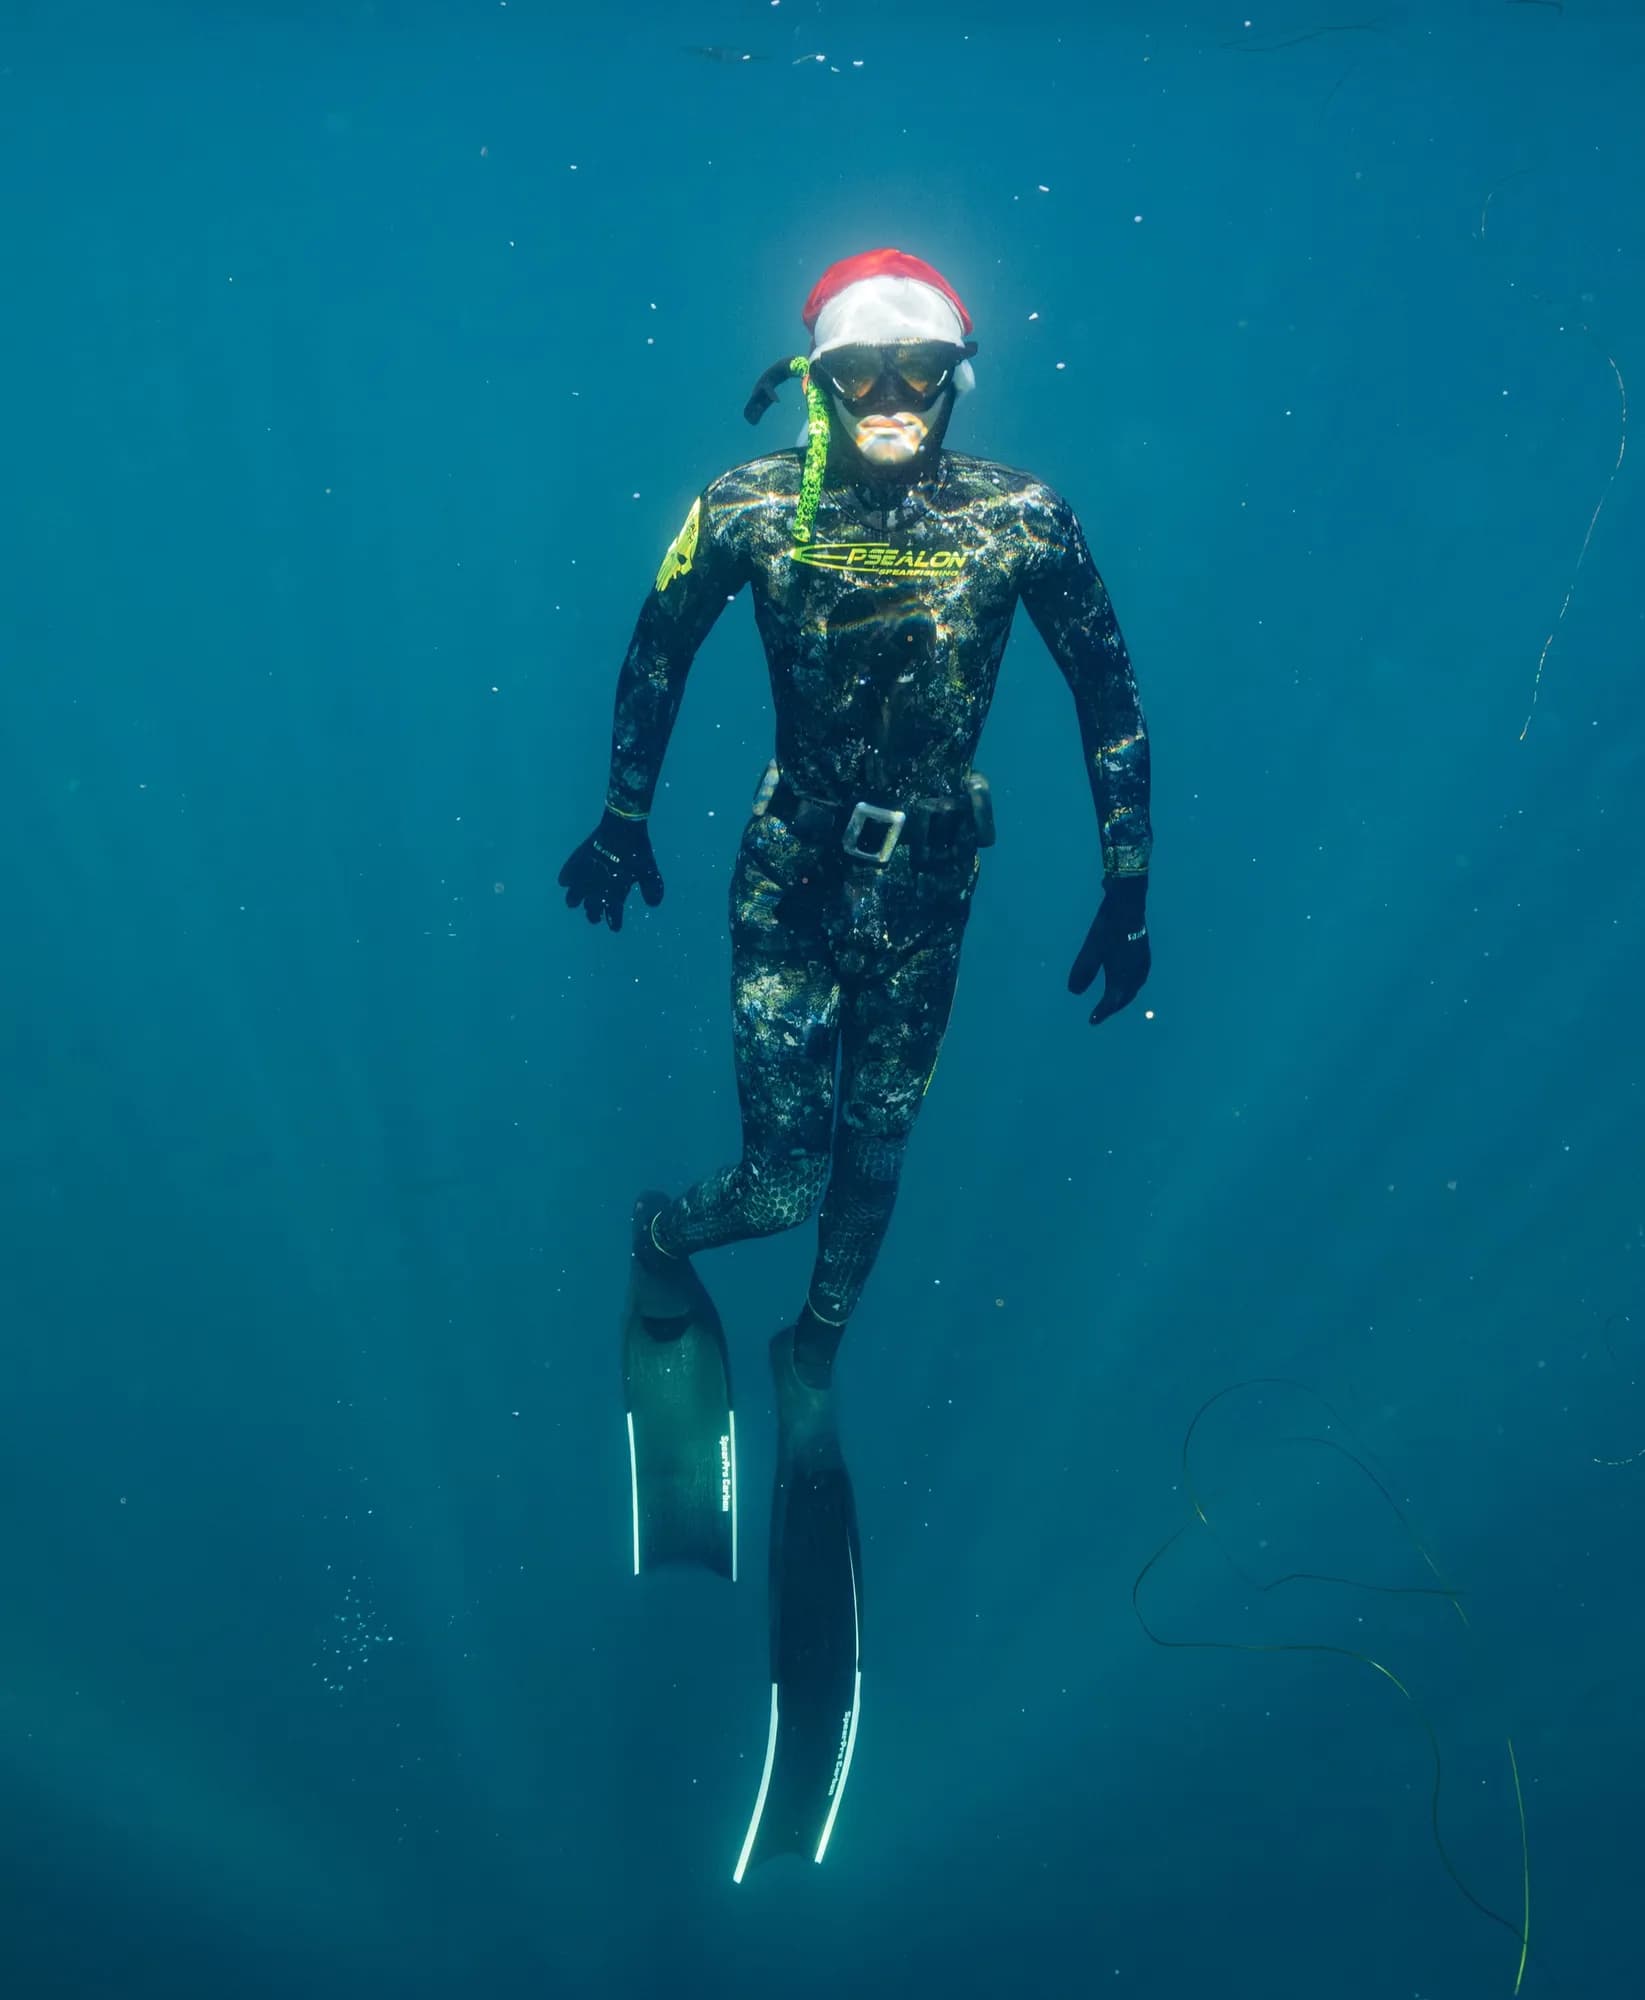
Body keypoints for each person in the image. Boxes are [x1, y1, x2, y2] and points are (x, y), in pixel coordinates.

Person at [558, 248, 1153, 1876]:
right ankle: (671, 1236)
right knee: (782, 1172)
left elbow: (1106, 688)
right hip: (789, 869)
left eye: (917, 377)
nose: (891, 405)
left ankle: (811, 1358)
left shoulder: (1023, 515)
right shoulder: (745, 504)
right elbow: (656, 650)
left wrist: (1129, 877)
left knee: (871, 1177)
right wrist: (622, 816)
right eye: (858, 380)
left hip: (931, 879)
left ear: (957, 376)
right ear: (812, 384)